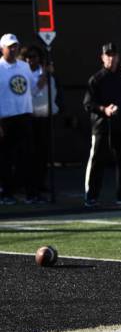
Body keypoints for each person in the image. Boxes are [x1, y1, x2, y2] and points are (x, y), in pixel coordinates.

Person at [83, 42, 121, 207]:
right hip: (102, 128)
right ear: (102, 57)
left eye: (114, 55)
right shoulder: (96, 79)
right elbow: (88, 104)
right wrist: (104, 109)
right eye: (108, 55)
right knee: (97, 163)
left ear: (118, 57)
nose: (111, 58)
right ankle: (91, 196)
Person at [0, 34, 36, 204]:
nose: (13, 49)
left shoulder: (24, 66)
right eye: (10, 46)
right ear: (2, 49)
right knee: (6, 158)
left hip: (24, 116)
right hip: (5, 119)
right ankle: (6, 193)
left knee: (27, 156)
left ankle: (30, 193)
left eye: (15, 46)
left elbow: (33, 89)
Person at [20, 44, 58, 203]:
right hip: (31, 118)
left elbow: (53, 93)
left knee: (44, 153)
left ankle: (41, 183)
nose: (31, 60)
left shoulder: (47, 74)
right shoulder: (25, 75)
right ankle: (30, 187)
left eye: (34, 57)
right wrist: (44, 78)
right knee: (31, 154)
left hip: (45, 118)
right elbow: (33, 92)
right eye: (28, 57)